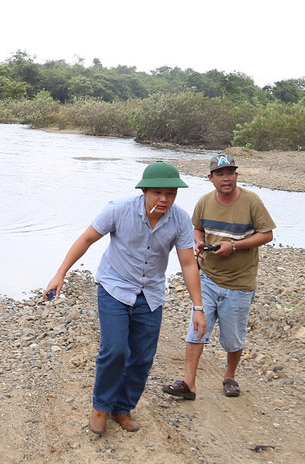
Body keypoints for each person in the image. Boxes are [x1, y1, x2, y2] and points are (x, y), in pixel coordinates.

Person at [44, 161, 206, 437]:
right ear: (144, 190)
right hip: (114, 287)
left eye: (171, 193)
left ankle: (122, 408)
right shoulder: (119, 209)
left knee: (142, 356)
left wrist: (198, 307)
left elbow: (188, 264)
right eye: (157, 192)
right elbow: (86, 240)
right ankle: (101, 407)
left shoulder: (179, 220)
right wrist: (60, 274)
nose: (164, 199)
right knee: (116, 350)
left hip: (150, 293)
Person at [162, 153, 276, 401]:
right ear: (211, 178)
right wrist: (200, 241)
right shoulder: (204, 202)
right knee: (197, 330)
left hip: (240, 283)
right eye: (220, 174)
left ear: (236, 175)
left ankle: (229, 376)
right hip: (208, 278)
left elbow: (267, 234)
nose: (226, 178)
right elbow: (197, 228)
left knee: (233, 338)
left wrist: (234, 246)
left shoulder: (251, 201)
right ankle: (189, 384)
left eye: (230, 173)